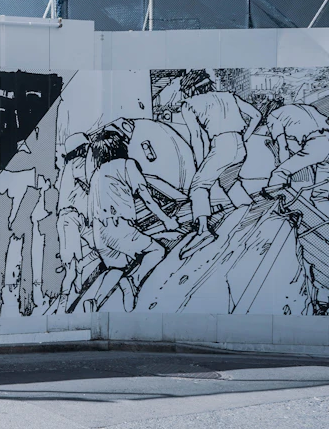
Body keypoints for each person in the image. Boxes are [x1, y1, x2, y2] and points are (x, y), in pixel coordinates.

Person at [85, 130, 179, 308]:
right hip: (118, 227)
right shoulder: (127, 165)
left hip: (99, 234)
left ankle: (94, 302)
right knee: (156, 251)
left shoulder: (96, 175)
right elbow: (147, 198)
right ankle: (133, 282)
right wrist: (167, 221)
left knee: (116, 268)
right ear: (121, 146)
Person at [176, 70, 260, 248]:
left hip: (222, 146)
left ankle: (204, 231)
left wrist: (200, 166)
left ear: (189, 88)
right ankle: (251, 213)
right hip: (239, 145)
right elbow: (257, 116)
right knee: (229, 182)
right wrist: (244, 138)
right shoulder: (229, 96)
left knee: (199, 185)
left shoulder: (189, 104)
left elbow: (197, 137)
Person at [55, 132, 91, 300]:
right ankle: (65, 300)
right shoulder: (77, 164)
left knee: (78, 264)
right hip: (71, 218)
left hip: (72, 218)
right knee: (73, 267)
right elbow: (91, 182)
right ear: (81, 149)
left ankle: (76, 295)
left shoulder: (67, 168)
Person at [264, 103, 329, 193]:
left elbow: (284, 147)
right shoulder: (303, 108)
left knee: (279, 173)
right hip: (324, 137)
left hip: (318, 143)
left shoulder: (273, 117)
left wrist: (283, 165)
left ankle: (275, 200)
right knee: (321, 193)